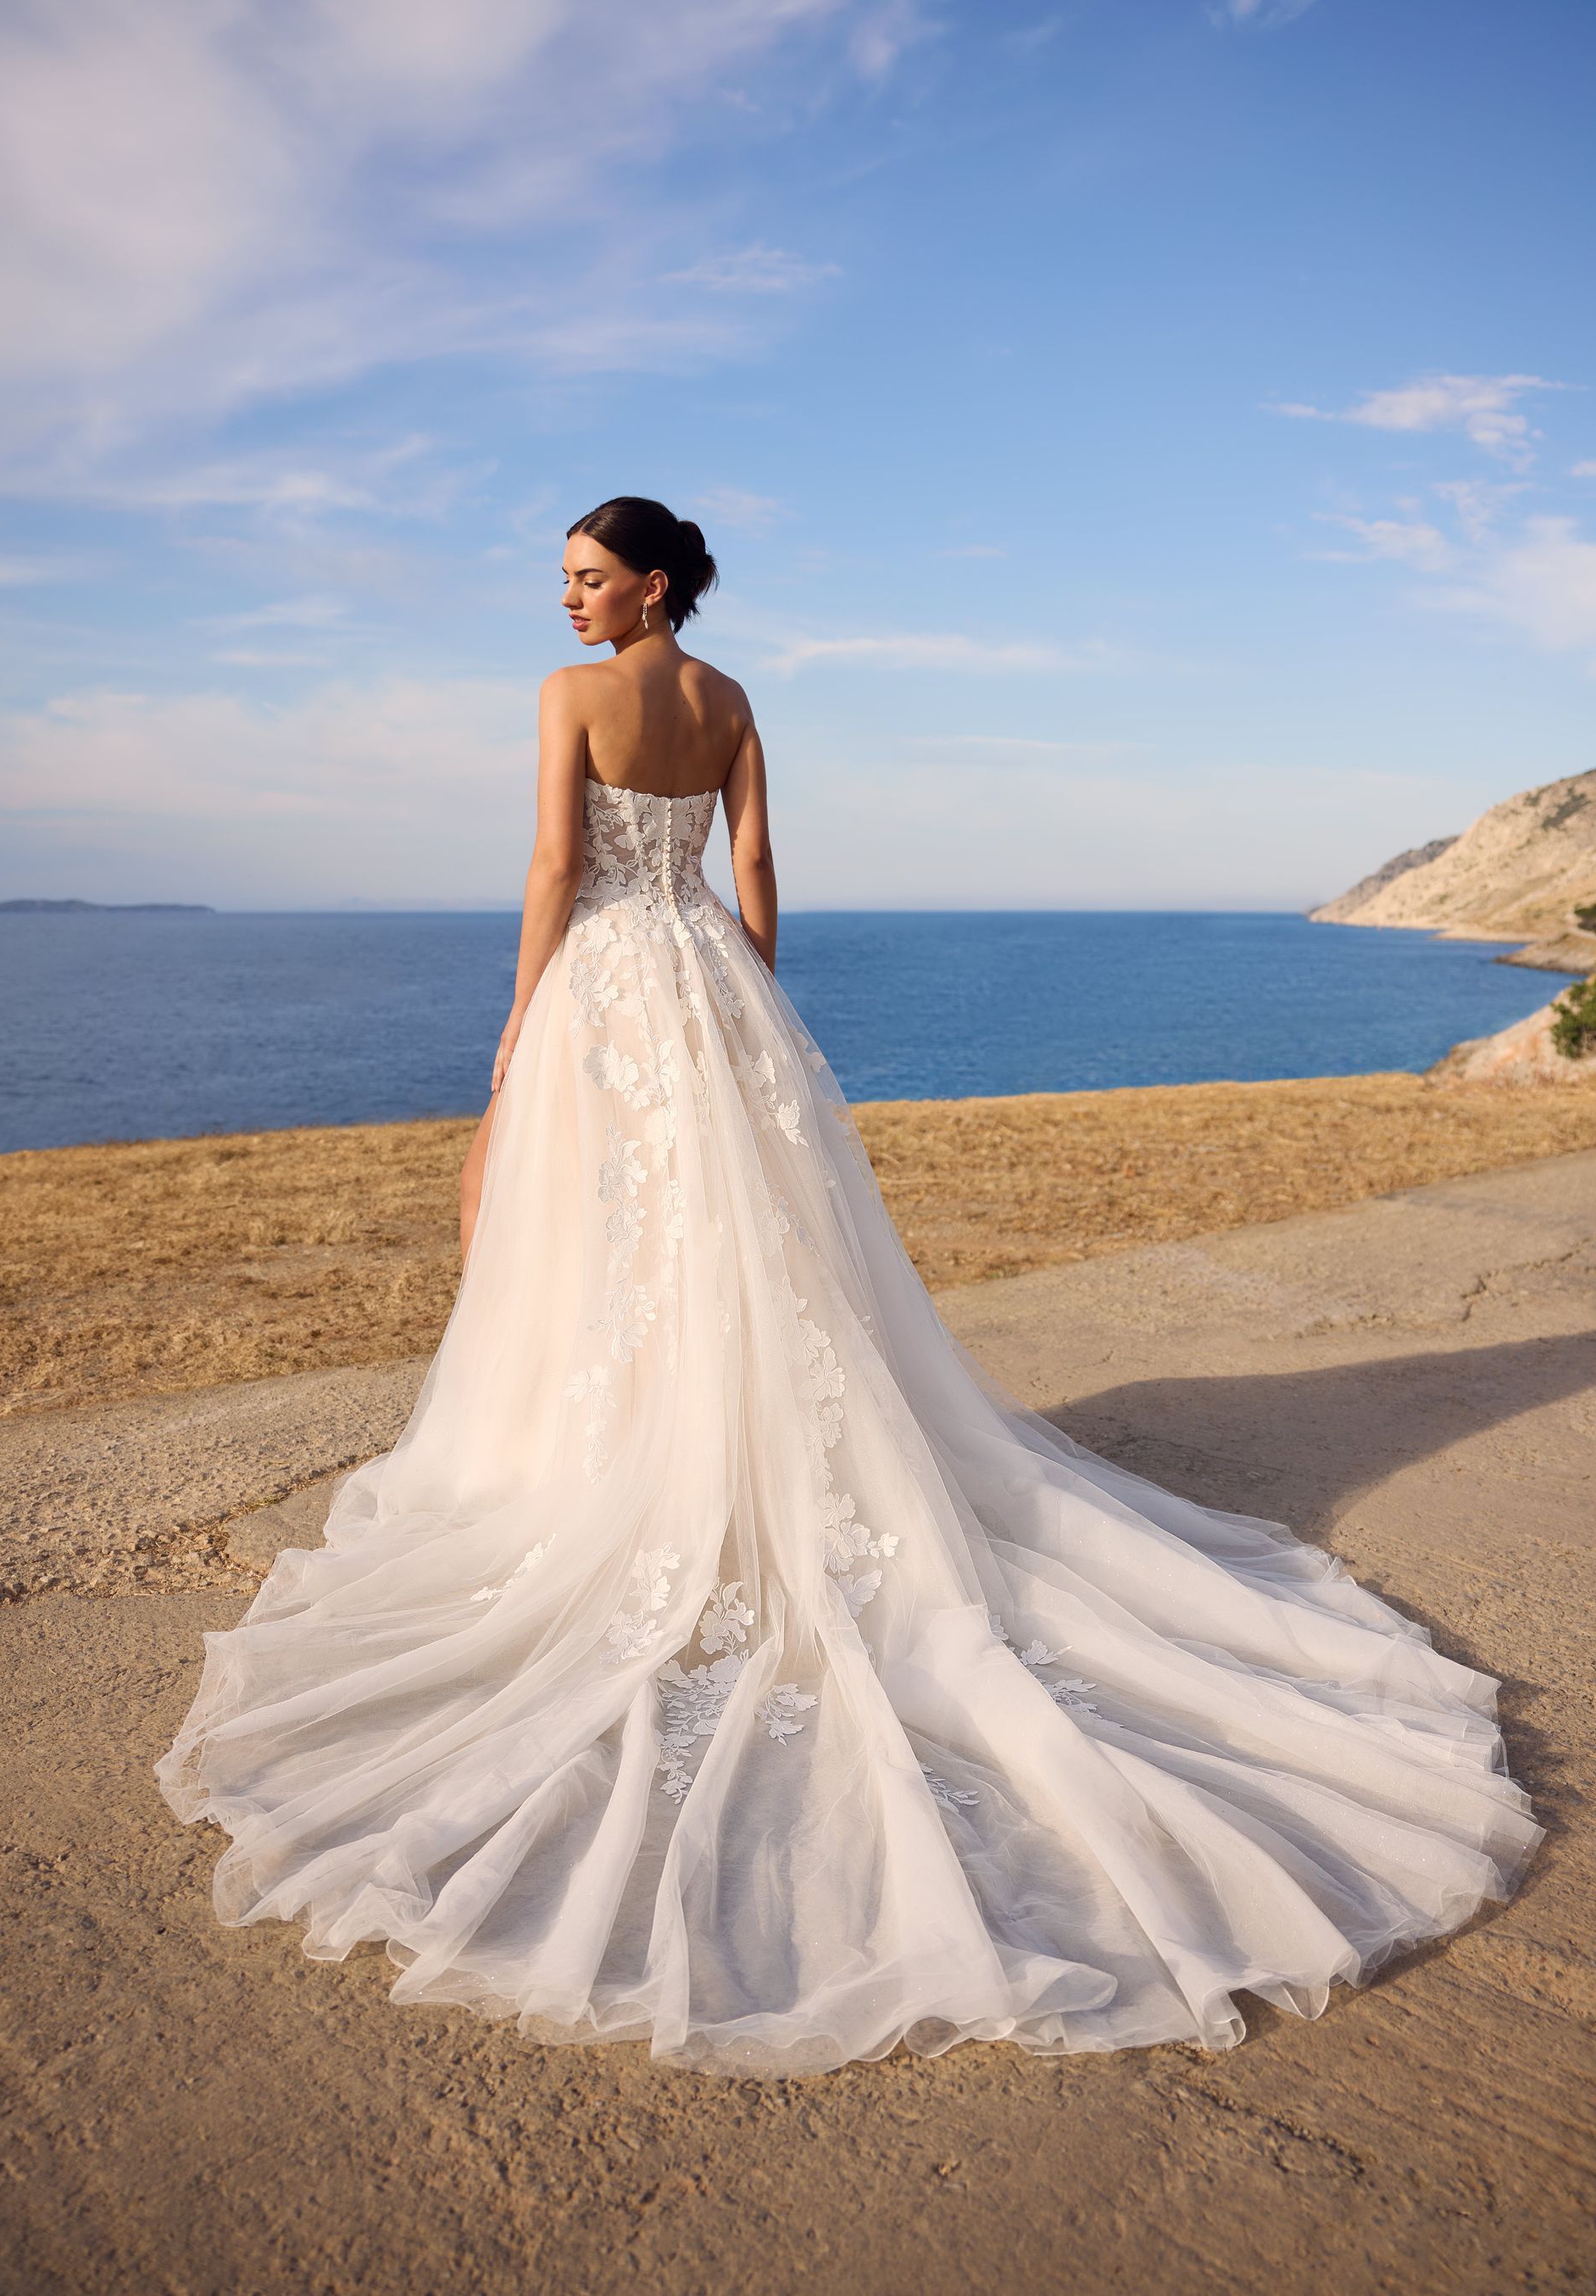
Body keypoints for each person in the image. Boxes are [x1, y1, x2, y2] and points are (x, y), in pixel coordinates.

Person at [157, 495, 1540, 2076]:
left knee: (613, 1249)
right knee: (748, 1253)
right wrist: (746, 999)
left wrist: (514, 1030)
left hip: (607, 986)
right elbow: (754, 863)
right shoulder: (730, 699)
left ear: (649, 583)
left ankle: (623, 1475)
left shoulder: (573, 701)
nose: (567, 604)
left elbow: (554, 863)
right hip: (712, 985)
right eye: (562, 584)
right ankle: (722, 1463)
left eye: (586, 579)